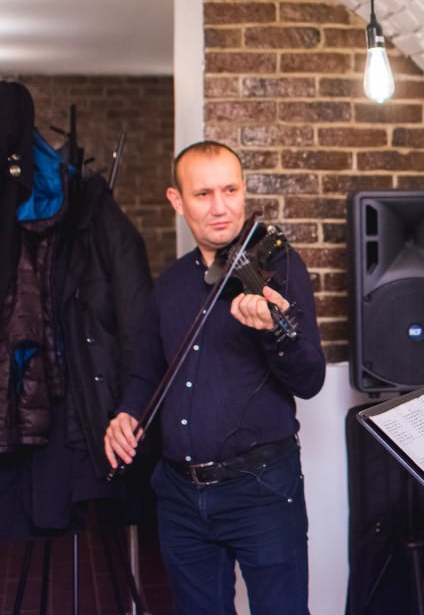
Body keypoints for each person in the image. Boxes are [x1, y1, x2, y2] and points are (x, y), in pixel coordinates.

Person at [103, 141, 326, 614]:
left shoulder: (279, 268)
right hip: (180, 497)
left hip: (262, 491)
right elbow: (146, 371)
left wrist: (275, 333)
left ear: (245, 191)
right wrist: (126, 412)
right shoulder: (167, 287)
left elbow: (310, 379)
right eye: (203, 194)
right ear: (176, 200)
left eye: (230, 189)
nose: (221, 207)